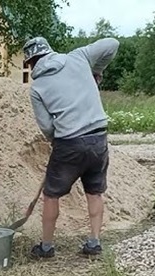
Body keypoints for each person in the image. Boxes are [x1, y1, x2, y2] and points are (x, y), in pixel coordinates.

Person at [22, 36, 119, 258]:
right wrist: (96, 71)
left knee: (51, 195)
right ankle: (94, 243)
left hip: (69, 143)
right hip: (98, 138)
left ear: (31, 62)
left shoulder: (38, 88)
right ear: (49, 51)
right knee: (94, 192)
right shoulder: (79, 57)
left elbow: (46, 127)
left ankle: (46, 247)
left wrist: (58, 141)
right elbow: (112, 43)